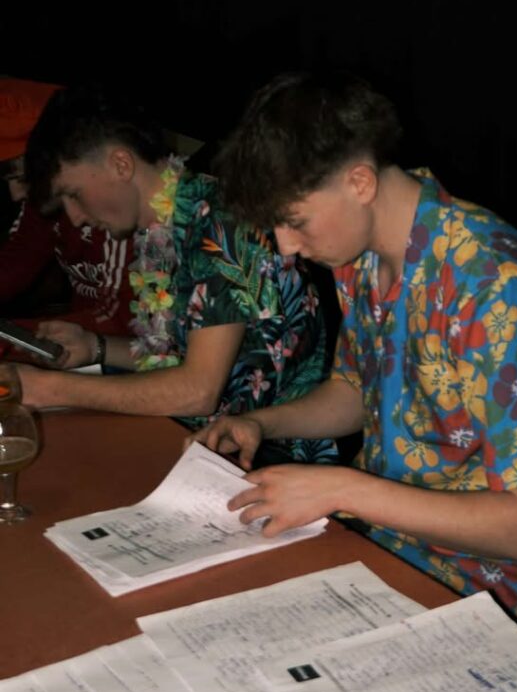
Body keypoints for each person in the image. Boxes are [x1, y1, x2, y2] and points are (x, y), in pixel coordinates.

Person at [192, 70, 517, 648]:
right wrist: (263, 422)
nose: (285, 245)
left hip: (499, 591)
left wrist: (342, 489)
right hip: (387, 546)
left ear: (359, 181)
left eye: (294, 221)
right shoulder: (359, 258)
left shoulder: (498, 286)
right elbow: (355, 391)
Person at [17, 84, 336, 461]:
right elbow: (171, 356)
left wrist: (49, 388)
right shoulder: (161, 228)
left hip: (267, 457)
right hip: (202, 442)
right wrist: (95, 346)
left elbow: (197, 390)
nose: (74, 218)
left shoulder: (219, 223)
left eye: (73, 194)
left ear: (121, 164)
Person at [0, 78, 133, 336]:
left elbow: (121, 318)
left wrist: (21, 336)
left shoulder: (116, 207)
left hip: (128, 346)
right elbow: (20, 256)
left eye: (24, 178)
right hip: (83, 334)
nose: (16, 195)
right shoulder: (42, 199)